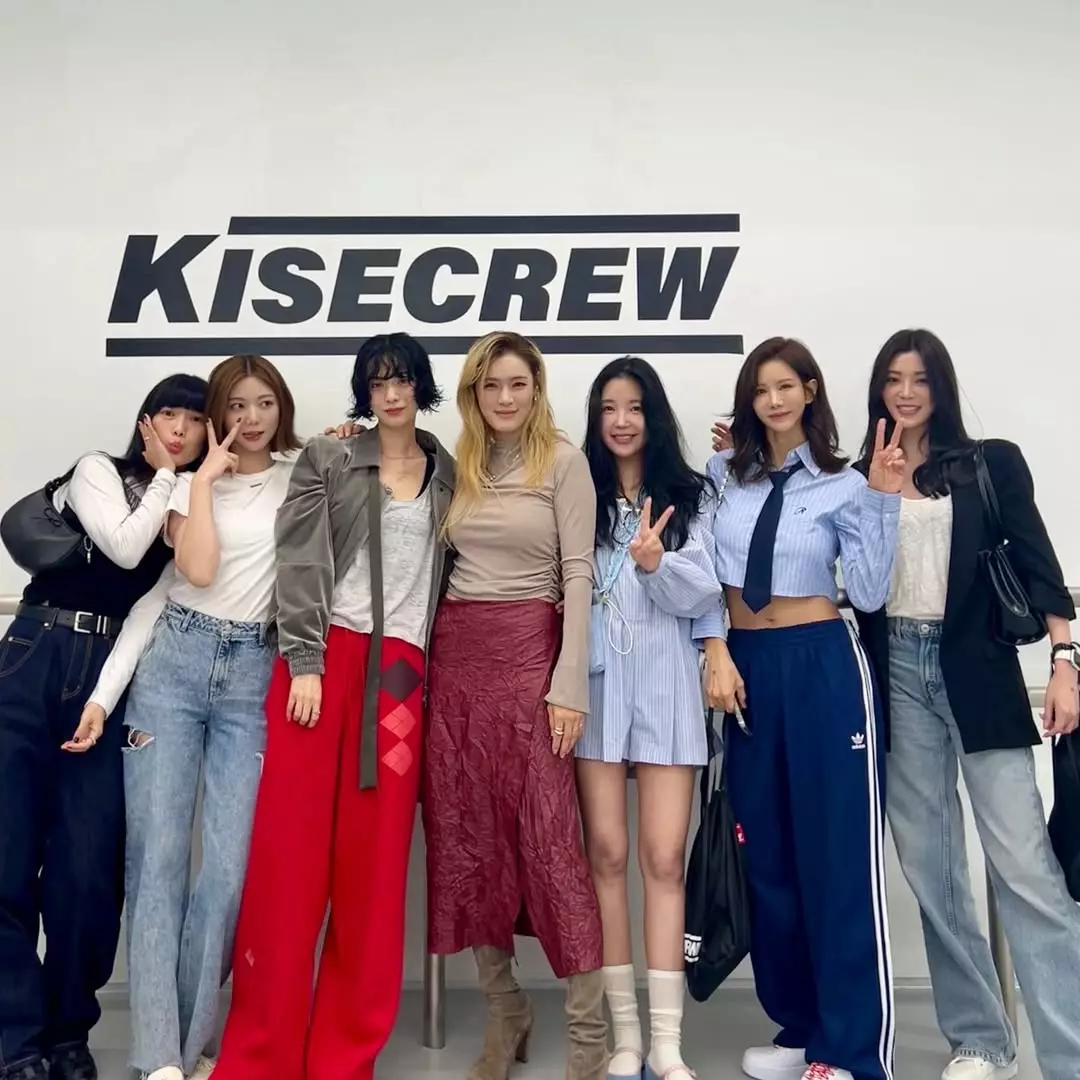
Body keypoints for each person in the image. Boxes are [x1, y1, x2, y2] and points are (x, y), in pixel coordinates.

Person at [211, 333, 455, 1080]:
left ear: (420, 386)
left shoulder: (449, 470)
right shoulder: (332, 456)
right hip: (323, 662)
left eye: (402, 379)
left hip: (401, 676)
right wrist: (305, 660)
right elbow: (302, 557)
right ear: (364, 392)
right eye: (377, 382)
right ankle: (263, 1055)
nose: (391, 393)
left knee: (374, 872)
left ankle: (344, 1058)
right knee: (288, 863)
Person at [850, 329, 1080, 1080]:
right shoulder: (861, 474)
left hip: (978, 672)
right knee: (931, 867)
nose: (905, 392)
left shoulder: (989, 462)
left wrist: (1066, 662)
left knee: (1025, 869)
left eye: (920, 378)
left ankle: (1069, 1053)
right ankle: (981, 1038)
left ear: (941, 386)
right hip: (895, 672)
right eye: (893, 379)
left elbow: (1040, 566)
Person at [79, 355, 300, 1080]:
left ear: (281, 408)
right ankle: (157, 1057)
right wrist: (202, 481)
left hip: (252, 674)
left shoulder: (302, 475)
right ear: (216, 414)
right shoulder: (181, 485)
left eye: (264, 403)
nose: (251, 418)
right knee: (159, 864)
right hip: (174, 667)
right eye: (235, 405)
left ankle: (193, 1035)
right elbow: (198, 571)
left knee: (228, 873)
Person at [699, 337, 904, 1080]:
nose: (773, 400)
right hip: (746, 664)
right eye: (761, 390)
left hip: (821, 664)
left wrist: (882, 496)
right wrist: (715, 647)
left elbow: (870, 591)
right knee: (768, 855)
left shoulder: (847, 484)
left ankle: (852, 1051)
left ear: (810, 391)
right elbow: (705, 571)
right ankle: (800, 1028)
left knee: (835, 857)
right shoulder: (724, 476)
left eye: (786, 386)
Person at [0, 374, 207, 1080]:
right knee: (6, 859)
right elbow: (122, 547)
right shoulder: (98, 470)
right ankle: (17, 1040)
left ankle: (67, 1035)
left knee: (87, 873)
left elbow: (148, 611)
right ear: (145, 421)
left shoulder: (189, 510)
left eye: (194, 420)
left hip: (109, 675)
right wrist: (167, 477)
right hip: (33, 655)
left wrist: (101, 697)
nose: (178, 429)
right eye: (167, 414)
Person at [422, 331, 608, 1080]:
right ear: (474, 392)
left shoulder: (563, 461)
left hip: (531, 658)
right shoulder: (455, 465)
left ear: (536, 390)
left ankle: (589, 1037)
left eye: (517, 384)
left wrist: (569, 684)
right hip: (455, 663)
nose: (504, 397)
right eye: (491, 384)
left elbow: (579, 575)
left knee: (550, 843)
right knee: (469, 841)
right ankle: (506, 1012)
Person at [574, 356, 733, 1080]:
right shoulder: (577, 490)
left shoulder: (691, 495)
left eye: (634, 406)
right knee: (606, 856)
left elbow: (706, 594)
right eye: (608, 407)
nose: (621, 420)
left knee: (664, 859)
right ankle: (626, 1039)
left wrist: (653, 563)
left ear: (654, 415)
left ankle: (667, 1044)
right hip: (597, 689)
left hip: (668, 685)